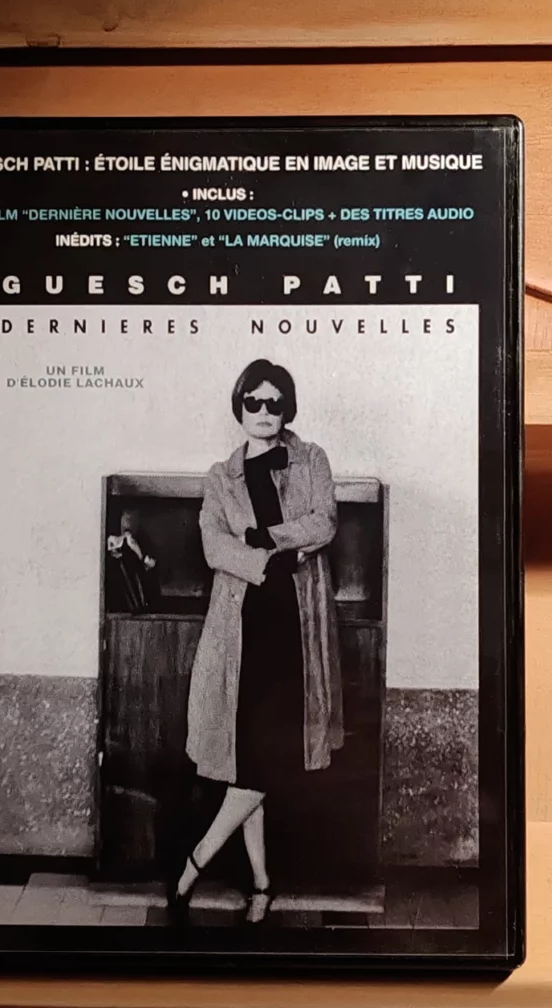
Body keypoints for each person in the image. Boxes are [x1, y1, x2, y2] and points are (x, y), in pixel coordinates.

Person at [169, 359, 344, 926]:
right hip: (243, 628)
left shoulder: (311, 459)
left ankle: (196, 861)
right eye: (254, 402)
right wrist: (268, 562)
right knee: (251, 759)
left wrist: (263, 534)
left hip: (295, 627)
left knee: (267, 760)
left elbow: (324, 522)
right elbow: (214, 547)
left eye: (275, 403)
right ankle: (262, 884)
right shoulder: (221, 477)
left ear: (287, 408)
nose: (264, 413)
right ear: (240, 407)